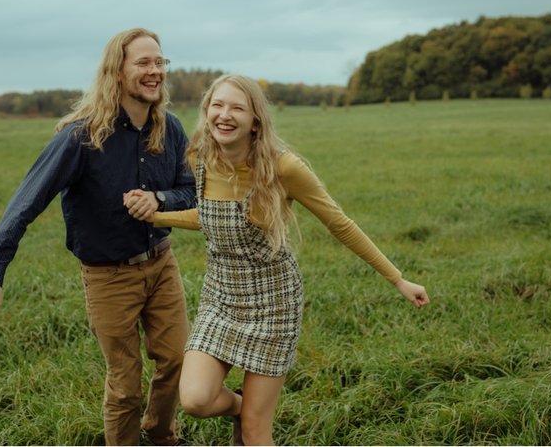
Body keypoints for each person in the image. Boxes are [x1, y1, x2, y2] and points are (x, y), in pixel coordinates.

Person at [129, 74, 429, 445]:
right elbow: (208, 217)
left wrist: (398, 279)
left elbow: (340, 224)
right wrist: (156, 215)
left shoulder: (284, 167)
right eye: (217, 106)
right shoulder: (202, 159)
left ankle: (252, 416)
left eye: (237, 108)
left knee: (257, 432)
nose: (225, 115)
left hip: (274, 303)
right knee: (195, 399)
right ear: (207, 112)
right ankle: (241, 406)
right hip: (221, 299)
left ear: (255, 120)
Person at [0, 28, 195, 445]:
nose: (155, 71)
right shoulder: (81, 136)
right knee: (125, 384)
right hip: (109, 276)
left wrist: (158, 199)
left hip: (161, 264)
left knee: (177, 361)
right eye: (143, 62)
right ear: (117, 70)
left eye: (160, 62)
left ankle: (162, 435)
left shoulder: (171, 128)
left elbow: (191, 190)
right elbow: (26, 201)